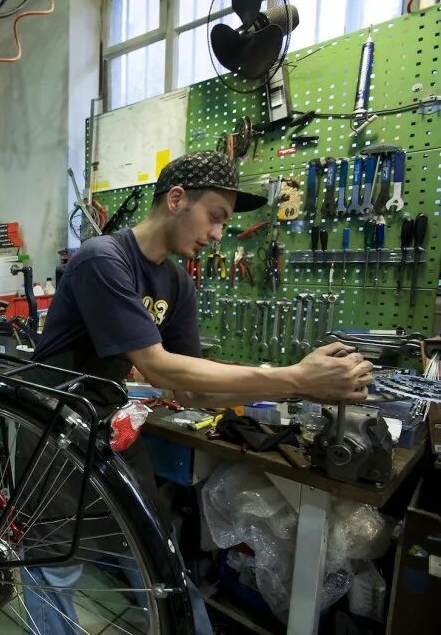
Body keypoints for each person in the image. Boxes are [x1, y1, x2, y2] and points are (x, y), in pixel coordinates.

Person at [21, 150, 373, 633]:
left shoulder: (177, 282)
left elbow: (187, 387)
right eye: (215, 217)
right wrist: (294, 376)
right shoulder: (101, 259)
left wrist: (302, 391)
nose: (217, 235)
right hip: (51, 424)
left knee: (158, 554)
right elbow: (158, 365)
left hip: (107, 423)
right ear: (176, 198)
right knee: (54, 565)